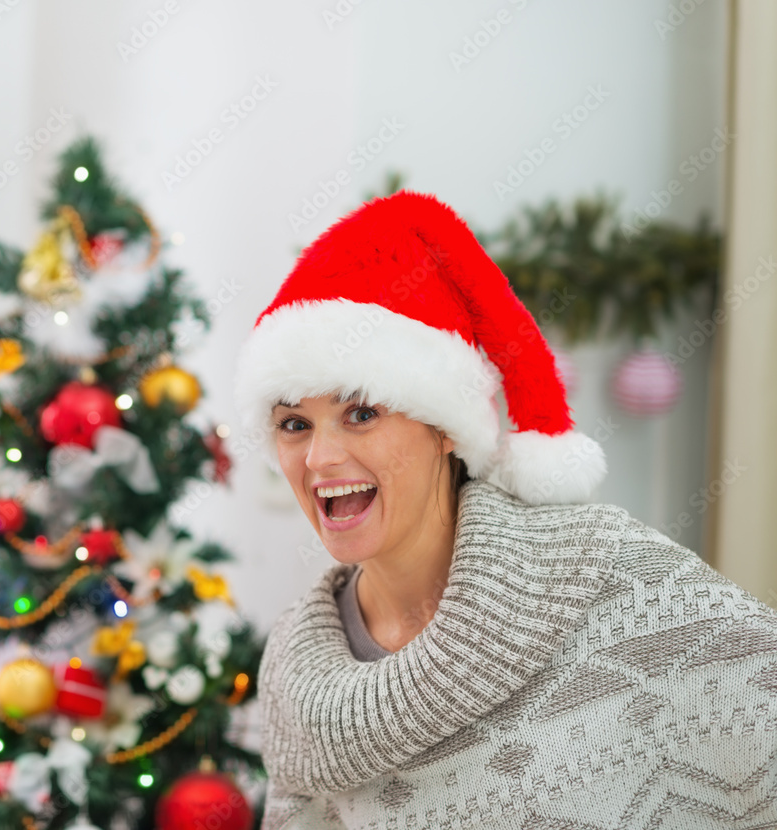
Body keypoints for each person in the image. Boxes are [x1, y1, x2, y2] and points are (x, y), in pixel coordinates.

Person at [232, 190, 777, 828]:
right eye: (294, 424)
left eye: (360, 413)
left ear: (444, 429)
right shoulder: (298, 669)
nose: (319, 456)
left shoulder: (619, 583)